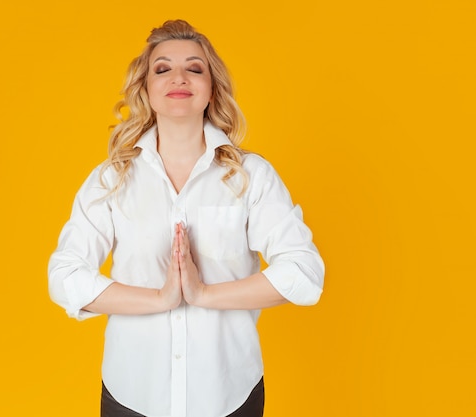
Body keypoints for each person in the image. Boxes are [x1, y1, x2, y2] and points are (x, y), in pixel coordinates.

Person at [48, 19, 324, 417]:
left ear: (212, 89)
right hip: (132, 394)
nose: (179, 76)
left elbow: (304, 272)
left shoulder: (251, 176)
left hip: (229, 394)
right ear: (145, 88)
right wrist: (161, 299)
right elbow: (65, 276)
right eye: (162, 68)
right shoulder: (112, 178)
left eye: (195, 68)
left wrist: (204, 295)